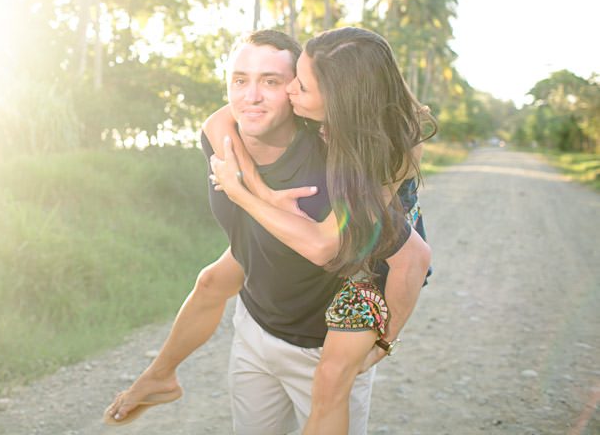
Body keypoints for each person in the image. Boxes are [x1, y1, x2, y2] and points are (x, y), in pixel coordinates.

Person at [103, 29, 432, 434]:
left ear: (334, 98)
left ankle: (378, 344)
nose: (255, 95)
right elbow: (220, 117)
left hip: (364, 277)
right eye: (240, 80)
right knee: (212, 280)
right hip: (260, 322)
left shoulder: (369, 156)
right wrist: (261, 191)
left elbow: (339, 248)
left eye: (284, 83)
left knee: (331, 384)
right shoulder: (233, 128)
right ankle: (159, 376)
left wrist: (243, 192)